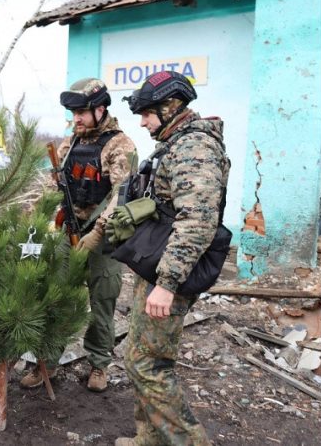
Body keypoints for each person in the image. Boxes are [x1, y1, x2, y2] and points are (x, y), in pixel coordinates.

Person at [115, 70, 230, 446]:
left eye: (147, 113)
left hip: (171, 272)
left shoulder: (194, 147)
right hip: (158, 264)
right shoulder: (173, 143)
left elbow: (197, 221)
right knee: (139, 357)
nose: (143, 121)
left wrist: (166, 285)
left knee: (149, 364)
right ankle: (149, 437)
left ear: (171, 106)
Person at [19, 78, 137, 392]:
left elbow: (122, 194)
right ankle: (45, 361)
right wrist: (40, 217)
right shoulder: (69, 143)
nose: (77, 118)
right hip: (67, 231)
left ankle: (99, 365)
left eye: (82, 112)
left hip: (103, 237)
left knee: (102, 303)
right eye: (74, 113)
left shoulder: (120, 144)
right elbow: (52, 185)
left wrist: (99, 231)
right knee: (55, 298)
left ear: (101, 109)